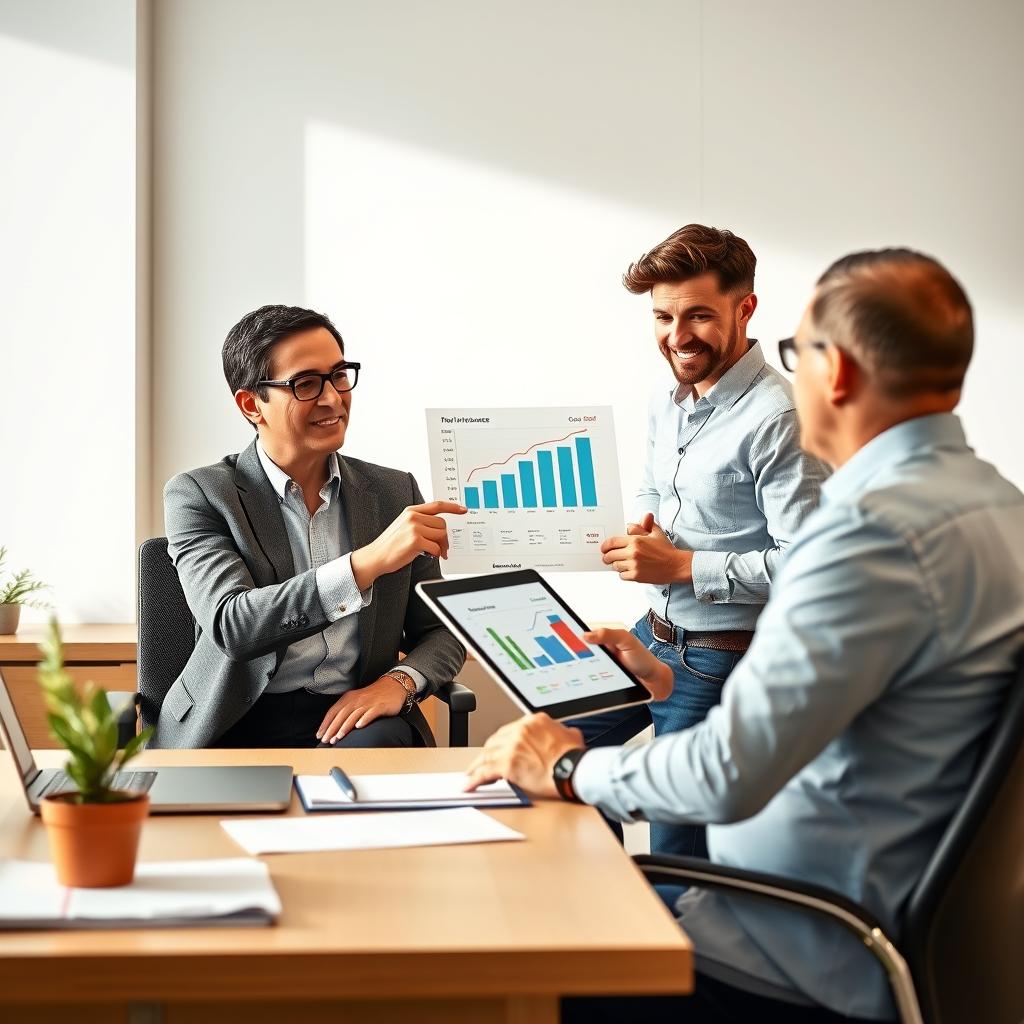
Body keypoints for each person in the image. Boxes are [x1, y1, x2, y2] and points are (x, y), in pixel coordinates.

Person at [467, 249, 1024, 1022]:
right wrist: (664, 684)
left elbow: (728, 773)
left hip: (792, 948)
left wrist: (567, 770)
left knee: (504, 984)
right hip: (866, 927)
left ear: (836, 375)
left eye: (798, 352)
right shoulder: (1000, 507)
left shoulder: (868, 536)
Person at [580, 223, 828, 857]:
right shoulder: (672, 401)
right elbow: (653, 492)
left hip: (724, 656)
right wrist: (645, 529)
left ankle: (671, 946)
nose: (676, 336)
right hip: (655, 633)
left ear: (744, 308)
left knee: (675, 848)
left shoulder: (779, 418)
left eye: (698, 316)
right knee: (561, 750)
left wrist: (684, 565)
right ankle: (596, 921)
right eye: (663, 316)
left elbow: (812, 567)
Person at [155, 304, 466, 749]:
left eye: (339, 375)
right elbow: (232, 625)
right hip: (234, 719)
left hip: (355, 716)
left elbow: (441, 630)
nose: (332, 398)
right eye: (306, 384)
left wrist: (398, 682)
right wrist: (365, 564)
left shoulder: (394, 491)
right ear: (251, 405)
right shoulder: (200, 494)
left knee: (375, 762)